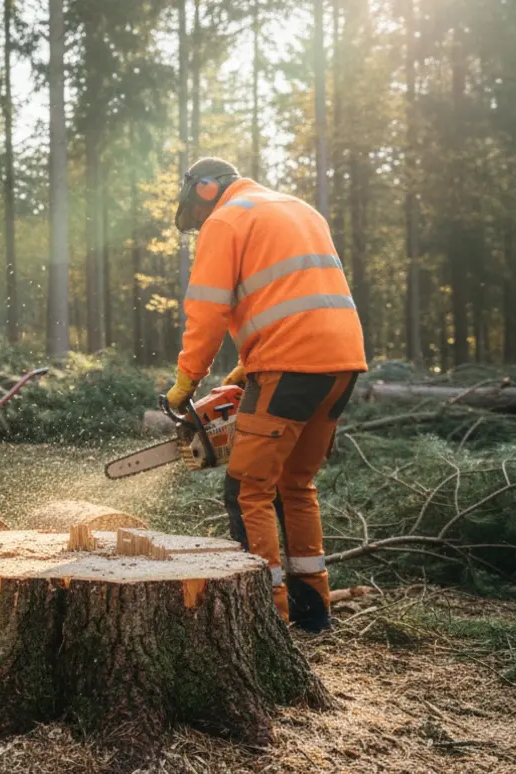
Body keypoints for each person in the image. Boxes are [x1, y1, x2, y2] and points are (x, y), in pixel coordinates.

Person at [165, 157, 367, 633]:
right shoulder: (298, 210)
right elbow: (297, 296)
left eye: (197, 212)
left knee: (247, 488)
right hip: (341, 361)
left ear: (208, 190)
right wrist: (245, 368)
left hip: (290, 362)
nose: (199, 225)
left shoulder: (228, 219)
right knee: (295, 485)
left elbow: (208, 310)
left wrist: (186, 382)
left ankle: (266, 619)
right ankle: (313, 612)